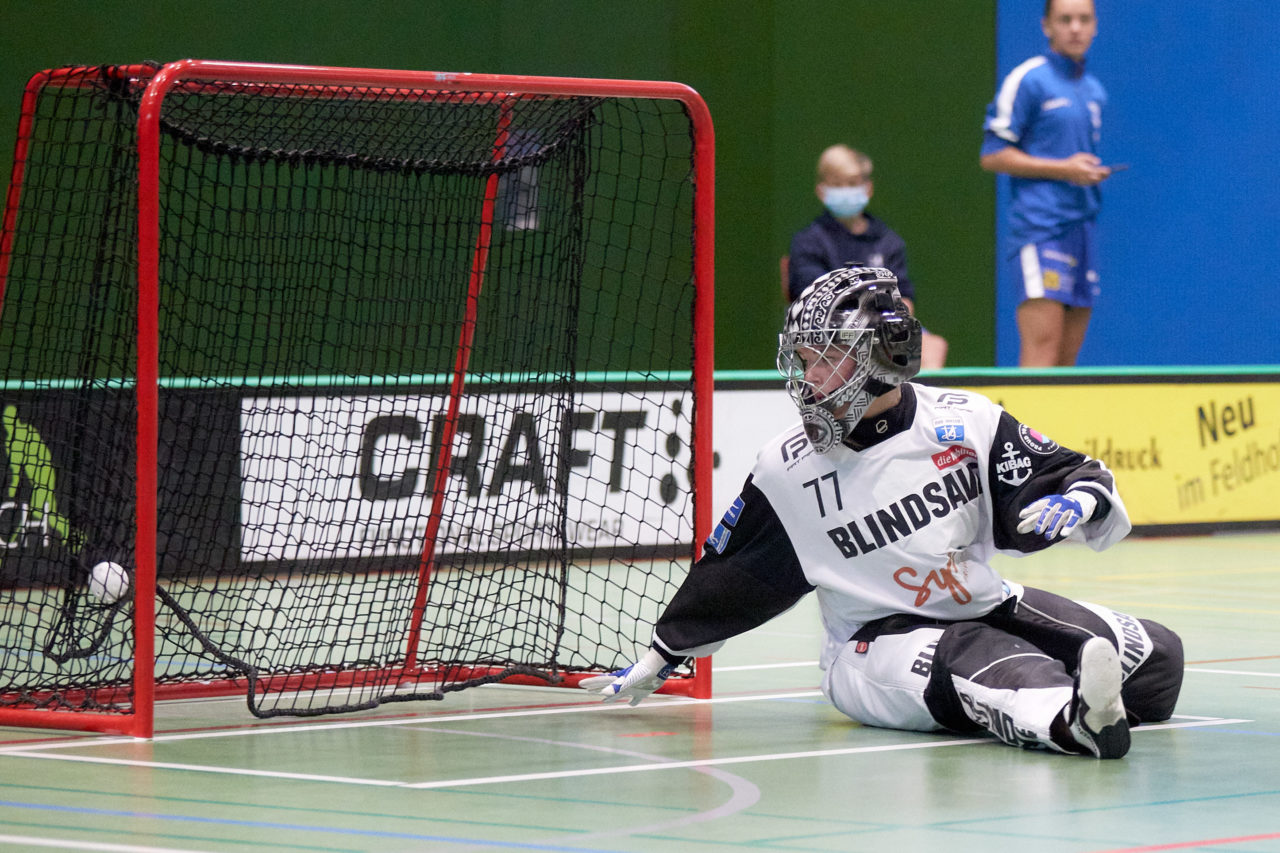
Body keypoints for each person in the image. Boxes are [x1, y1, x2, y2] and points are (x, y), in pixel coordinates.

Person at [583, 265, 1183, 759]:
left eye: (828, 357)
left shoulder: (965, 419)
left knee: (1158, 658)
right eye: (804, 358)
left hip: (982, 601)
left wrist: (1076, 498)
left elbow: (1059, 472)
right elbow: (733, 571)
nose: (811, 379)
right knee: (1001, 666)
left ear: (885, 355)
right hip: (874, 642)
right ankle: (1070, 723)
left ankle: (1085, 690)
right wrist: (664, 652)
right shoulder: (784, 468)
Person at [981, 0, 1112, 367]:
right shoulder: (1029, 79)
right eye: (1065, 19)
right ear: (1047, 26)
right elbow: (992, 155)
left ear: (1095, 26)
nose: (1075, 28)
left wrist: (1084, 171)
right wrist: (1064, 169)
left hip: (1081, 228)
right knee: (1042, 352)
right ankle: (1025, 428)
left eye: (1083, 19)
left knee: (1066, 364)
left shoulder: (1093, 90)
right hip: (1040, 230)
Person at [787, 144, 948, 369]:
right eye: (837, 184)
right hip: (829, 332)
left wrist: (887, 322)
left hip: (882, 329)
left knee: (932, 346)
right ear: (821, 190)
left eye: (852, 184)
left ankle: (907, 403)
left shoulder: (887, 240)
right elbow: (812, 300)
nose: (846, 190)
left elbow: (904, 299)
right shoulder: (809, 241)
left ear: (868, 188)